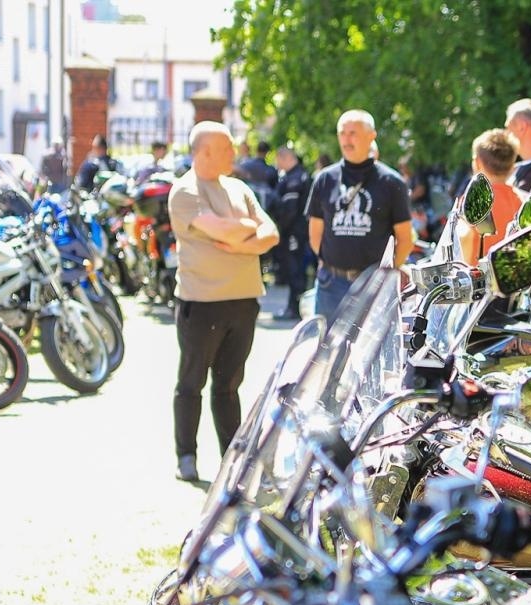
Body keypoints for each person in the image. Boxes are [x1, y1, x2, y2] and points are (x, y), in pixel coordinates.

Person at [167, 121, 280, 482]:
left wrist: (239, 241)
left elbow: (271, 233)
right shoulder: (185, 192)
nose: (235, 153)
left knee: (229, 386)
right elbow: (227, 229)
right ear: (205, 152)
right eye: (228, 147)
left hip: (244, 301)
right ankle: (187, 456)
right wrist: (246, 231)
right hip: (202, 304)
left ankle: (232, 460)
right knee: (191, 383)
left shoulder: (239, 187)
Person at [305, 109, 414, 323]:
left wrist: (385, 276)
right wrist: (333, 264)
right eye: (342, 133)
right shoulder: (324, 179)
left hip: (374, 286)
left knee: (370, 354)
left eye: (353, 132)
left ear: (371, 136)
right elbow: (315, 235)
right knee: (325, 354)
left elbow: (405, 239)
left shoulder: (391, 182)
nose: (346, 139)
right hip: (330, 285)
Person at [460, 128, 522, 262]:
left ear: (477, 162)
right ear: (512, 167)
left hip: (479, 278)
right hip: (509, 278)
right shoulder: (521, 200)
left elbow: (464, 236)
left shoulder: (474, 198)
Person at [272, 145, 312, 319]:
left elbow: (290, 209)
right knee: (297, 270)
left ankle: (294, 309)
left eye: (278, 159)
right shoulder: (300, 175)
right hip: (300, 230)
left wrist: (282, 228)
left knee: (295, 270)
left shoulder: (294, 179)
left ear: (286, 158)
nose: (277, 164)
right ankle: (294, 306)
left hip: (295, 231)